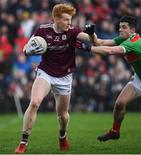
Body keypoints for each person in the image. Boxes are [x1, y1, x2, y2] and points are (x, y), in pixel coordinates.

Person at [15, 3, 95, 154]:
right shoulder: (42, 30)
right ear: (56, 18)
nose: (69, 23)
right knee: (34, 103)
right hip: (45, 72)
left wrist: (91, 33)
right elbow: (26, 48)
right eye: (66, 19)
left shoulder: (73, 31)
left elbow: (90, 39)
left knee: (62, 115)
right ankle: (23, 142)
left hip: (65, 76)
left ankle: (62, 134)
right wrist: (29, 50)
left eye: (70, 20)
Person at [81, 15, 141, 149]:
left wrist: (87, 49)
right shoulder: (123, 39)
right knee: (120, 103)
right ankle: (115, 131)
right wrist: (91, 34)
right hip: (140, 79)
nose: (120, 29)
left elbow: (110, 51)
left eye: (124, 27)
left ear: (132, 31)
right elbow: (99, 43)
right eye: (120, 26)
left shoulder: (134, 42)